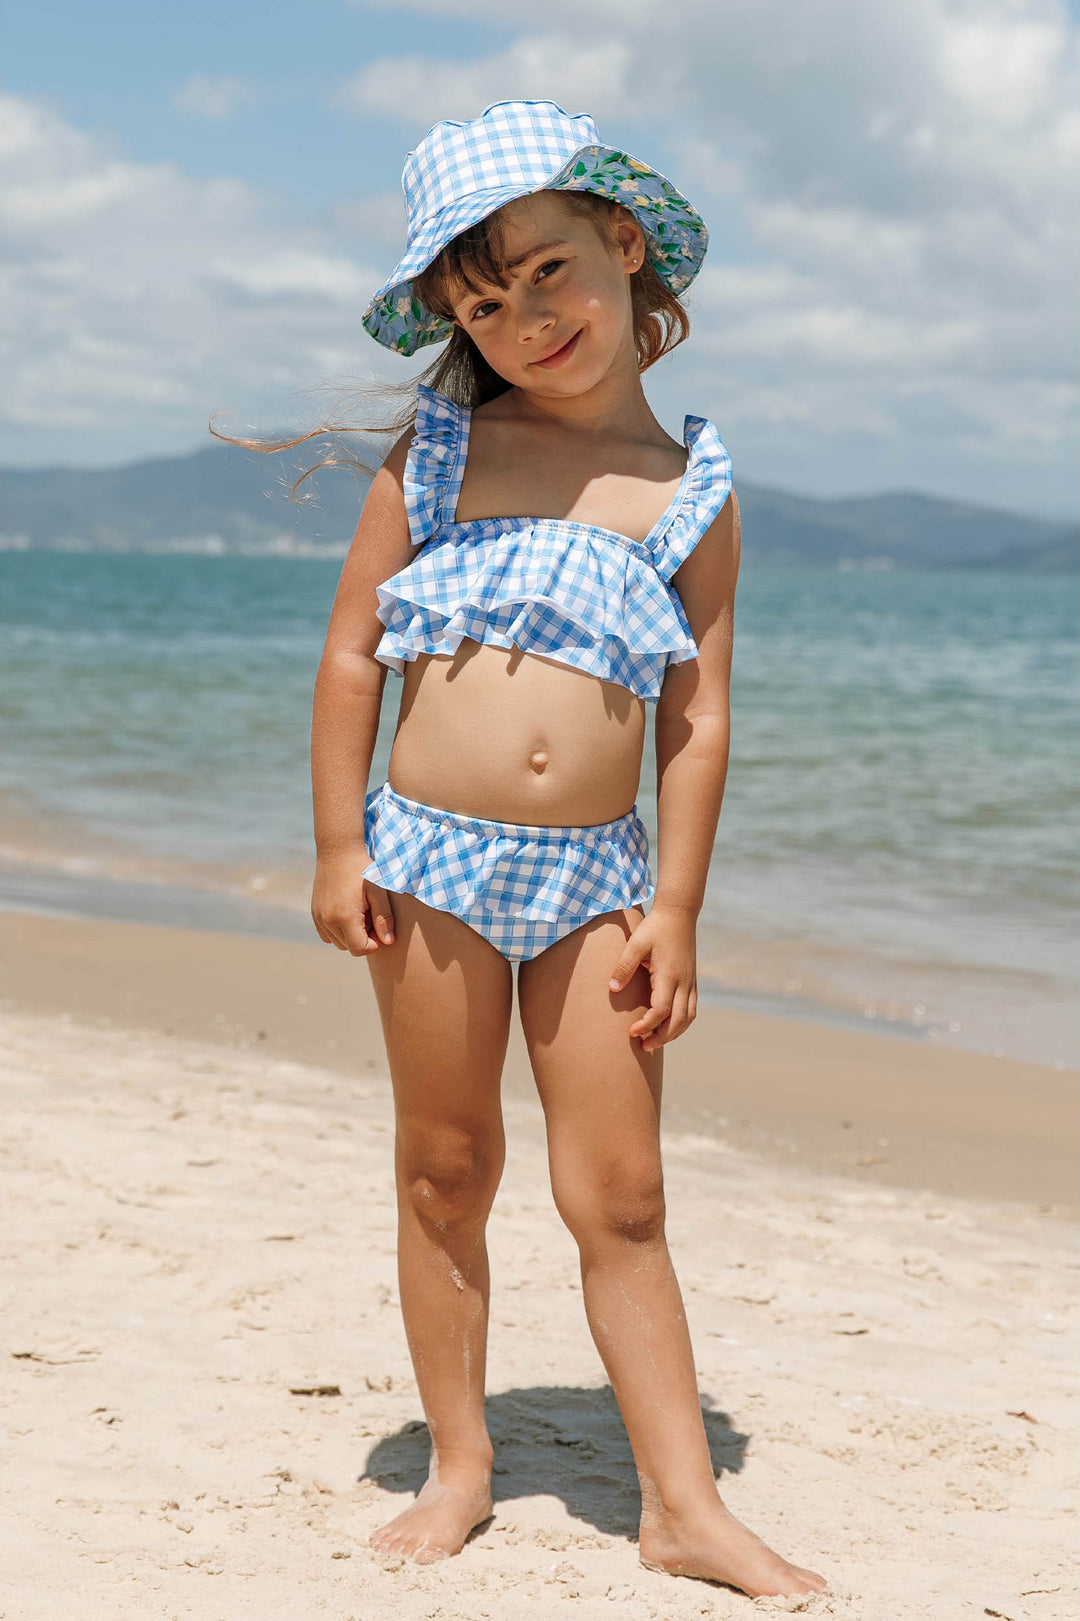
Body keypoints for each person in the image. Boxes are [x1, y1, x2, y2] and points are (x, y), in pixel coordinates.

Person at [309, 100, 828, 1600]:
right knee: (445, 1165)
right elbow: (354, 657)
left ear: (620, 240)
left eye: (544, 271)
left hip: (600, 880)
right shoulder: (444, 446)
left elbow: (698, 718)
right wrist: (341, 843)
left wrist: (677, 904)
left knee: (623, 1193)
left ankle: (682, 1502)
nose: (522, 316)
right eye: (481, 299)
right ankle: (462, 1465)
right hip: (427, 863)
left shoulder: (696, 491)